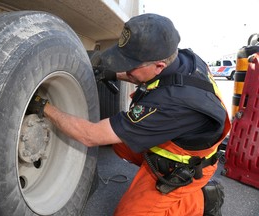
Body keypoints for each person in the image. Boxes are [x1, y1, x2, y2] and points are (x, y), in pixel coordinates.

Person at [28, 13, 231, 216]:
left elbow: (90, 136)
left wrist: (43, 106)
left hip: (185, 165)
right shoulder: (184, 59)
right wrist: (113, 74)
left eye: (130, 66)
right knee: (119, 142)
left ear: (159, 65)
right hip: (177, 138)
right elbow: (153, 77)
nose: (125, 70)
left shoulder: (170, 104)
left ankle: (203, 199)